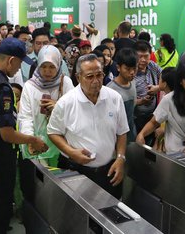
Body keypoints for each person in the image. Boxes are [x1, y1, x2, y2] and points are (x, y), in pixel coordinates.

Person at [0, 38, 47, 233]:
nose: (19, 69)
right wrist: (32, 139)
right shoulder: (3, 89)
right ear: (11, 60)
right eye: (20, 63)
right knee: (1, 201)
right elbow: (7, 134)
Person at [47, 54, 128, 199]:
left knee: (108, 215)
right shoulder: (66, 102)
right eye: (90, 76)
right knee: (77, 215)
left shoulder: (114, 98)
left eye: (99, 75)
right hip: (76, 170)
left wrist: (121, 158)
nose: (96, 81)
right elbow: (53, 132)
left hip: (108, 171)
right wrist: (71, 152)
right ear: (78, 77)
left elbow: (121, 132)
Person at [136, 59, 185, 161]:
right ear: (181, 81)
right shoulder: (170, 99)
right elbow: (154, 122)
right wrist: (141, 134)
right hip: (173, 156)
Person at [18, 45, 75, 165]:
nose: (47, 71)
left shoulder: (65, 83)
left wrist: (58, 106)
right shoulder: (30, 86)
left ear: (59, 65)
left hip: (61, 143)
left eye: (51, 67)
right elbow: (25, 116)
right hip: (37, 142)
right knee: (40, 179)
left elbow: (75, 112)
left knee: (59, 178)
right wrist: (30, 139)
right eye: (43, 66)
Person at [133, 40, 162, 143]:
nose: (143, 60)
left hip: (152, 117)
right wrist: (141, 101)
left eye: (146, 56)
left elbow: (167, 80)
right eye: (139, 56)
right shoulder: (130, 72)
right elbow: (124, 101)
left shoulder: (152, 66)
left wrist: (157, 88)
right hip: (135, 119)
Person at [107, 48, 138, 142]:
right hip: (116, 138)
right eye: (128, 69)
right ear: (118, 68)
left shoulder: (133, 83)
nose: (132, 72)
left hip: (131, 133)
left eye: (134, 68)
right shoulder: (110, 90)